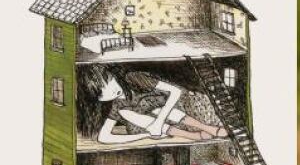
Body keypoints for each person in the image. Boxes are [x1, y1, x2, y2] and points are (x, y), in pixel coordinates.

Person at [79, 65, 228, 144]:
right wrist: (145, 135)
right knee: (126, 113)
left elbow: (175, 92)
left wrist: (158, 122)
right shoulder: (117, 105)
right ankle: (191, 135)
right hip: (155, 129)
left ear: (113, 76)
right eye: (102, 93)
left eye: (109, 82)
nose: (110, 92)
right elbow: (103, 138)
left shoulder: (133, 78)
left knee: (156, 109)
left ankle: (206, 128)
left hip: (172, 110)